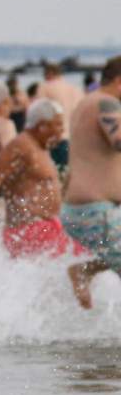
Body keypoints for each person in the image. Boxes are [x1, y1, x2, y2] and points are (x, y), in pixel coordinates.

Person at [0, 99, 77, 260]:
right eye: (58, 125)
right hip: (28, 231)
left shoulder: (39, 147)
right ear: (42, 126)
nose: (62, 131)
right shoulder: (20, 144)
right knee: (82, 265)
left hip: (47, 227)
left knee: (86, 261)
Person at [61, 55, 121, 308]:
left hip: (86, 211)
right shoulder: (107, 103)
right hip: (95, 212)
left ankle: (85, 270)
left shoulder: (87, 102)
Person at [35, 62, 83, 177]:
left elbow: (37, 112)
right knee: (68, 176)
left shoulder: (45, 87)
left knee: (52, 178)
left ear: (50, 73)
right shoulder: (76, 89)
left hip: (54, 138)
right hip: (73, 138)